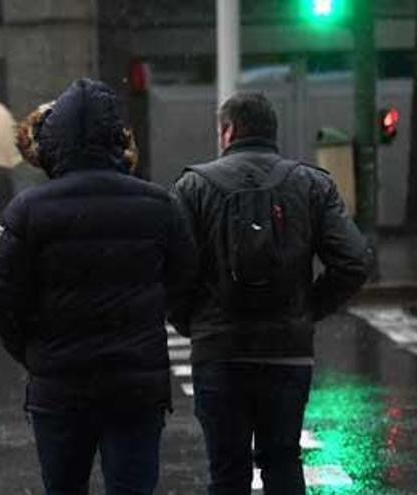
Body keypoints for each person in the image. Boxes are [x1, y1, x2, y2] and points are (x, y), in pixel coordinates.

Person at [0, 78, 197, 495]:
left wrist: (33, 353)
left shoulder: (27, 211)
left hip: (60, 387)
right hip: (135, 386)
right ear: (117, 138)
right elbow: (185, 280)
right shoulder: (158, 205)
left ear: (54, 143)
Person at [170, 92, 370, 494]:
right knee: (282, 461)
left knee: (227, 471)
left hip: (219, 350)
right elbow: (354, 261)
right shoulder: (311, 184)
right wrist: (308, 308)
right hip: (286, 351)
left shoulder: (193, 186)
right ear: (271, 132)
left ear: (228, 131)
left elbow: (172, 271)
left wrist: (192, 320)